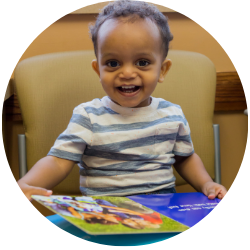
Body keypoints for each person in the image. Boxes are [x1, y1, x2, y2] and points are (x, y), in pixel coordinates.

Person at [17, 0, 228, 202]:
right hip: (106, 216)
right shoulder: (88, 116)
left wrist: (206, 184)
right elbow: (57, 161)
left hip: (162, 212)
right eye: (113, 63)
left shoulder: (171, 114)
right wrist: (27, 183)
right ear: (98, 69)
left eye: (142, 62)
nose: (127, 73)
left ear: (162, 70)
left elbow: (185, 158)